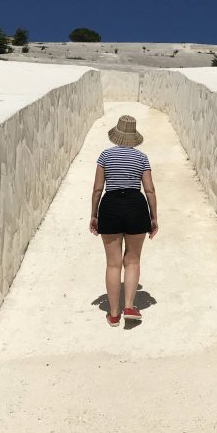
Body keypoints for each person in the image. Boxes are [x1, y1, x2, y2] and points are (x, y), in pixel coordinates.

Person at [90, 114, 158, 326]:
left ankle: (113, 314)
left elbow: (98, 189)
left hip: (110, 205)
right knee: (133, 260)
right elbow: (149, 189)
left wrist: (94, 214)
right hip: (136, 205)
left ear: (116, 135)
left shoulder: (105, 156)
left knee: (113, 264)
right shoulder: (142, 158)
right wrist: (154, 217)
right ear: (134, 136)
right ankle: (129, 305)